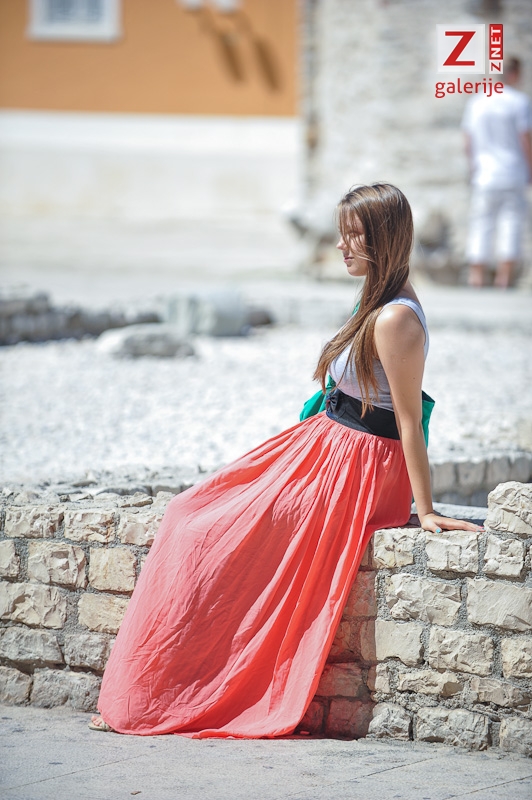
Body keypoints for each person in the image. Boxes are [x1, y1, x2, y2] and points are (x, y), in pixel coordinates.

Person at [89, 183, 482, 738]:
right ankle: (158, 686)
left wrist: (428, 508)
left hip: (356, 466)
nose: (341, 245)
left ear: (385, 239)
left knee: (210, 530)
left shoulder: (396, 319)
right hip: (326, 445)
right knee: (187, 513)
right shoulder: (373, 298)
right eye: (342, 233)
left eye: (354, 235)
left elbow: (409, 422)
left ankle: (170, 692)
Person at [462, 56, 532, 288]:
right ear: (514, 74)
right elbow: (525, 139)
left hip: (484, 173)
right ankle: (504, 279)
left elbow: (468, 141)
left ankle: (476, 277)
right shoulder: (519, 101)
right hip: (513, 171)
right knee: (511, 223)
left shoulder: (477, 102)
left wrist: (472, 169)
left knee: (481, 223)